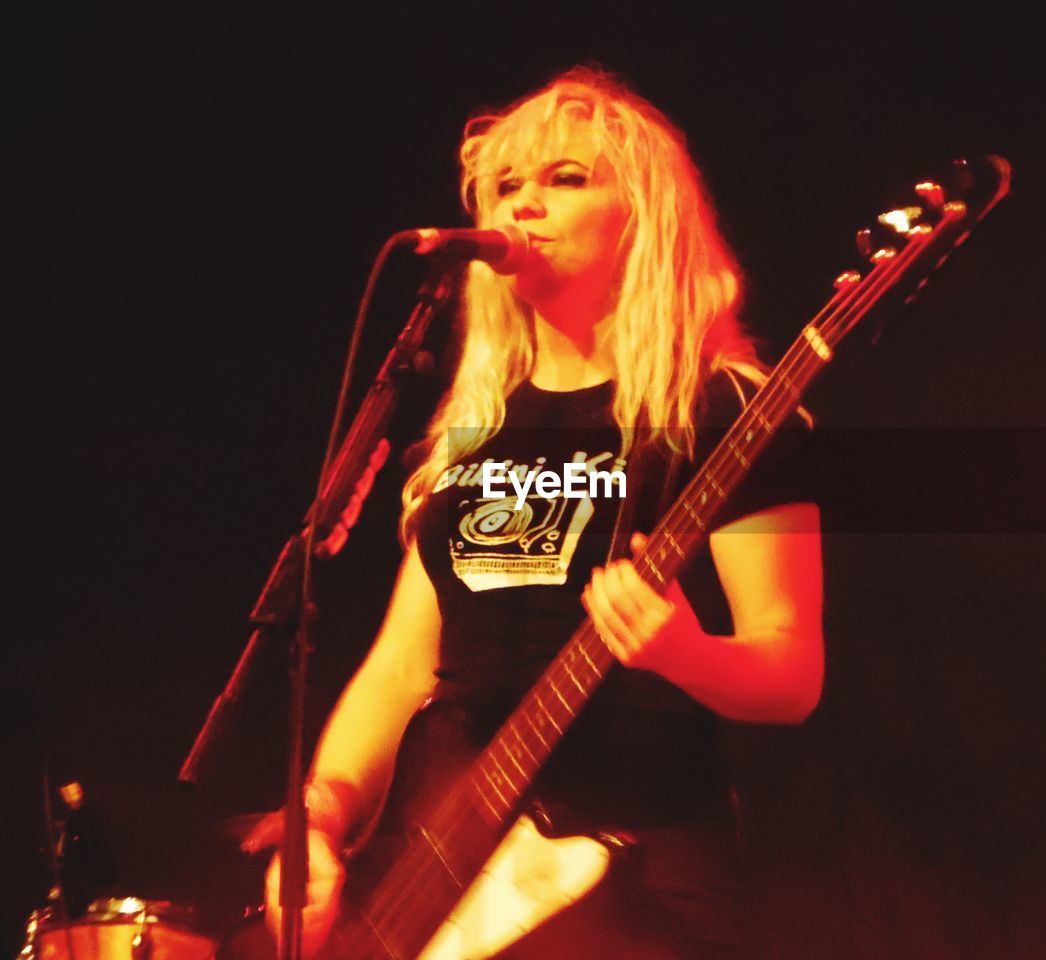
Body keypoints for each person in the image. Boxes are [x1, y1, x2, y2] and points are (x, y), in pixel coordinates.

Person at [242, 65, 824, 959]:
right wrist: (320, 816)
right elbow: (404, 668)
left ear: (646, 218)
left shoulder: (722, 412)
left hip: (639, 875)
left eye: (565, 179)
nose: (523, 207)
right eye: (506, 185)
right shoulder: (467, 433)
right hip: (450, 879)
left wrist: (685, 654)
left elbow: (791, 671)